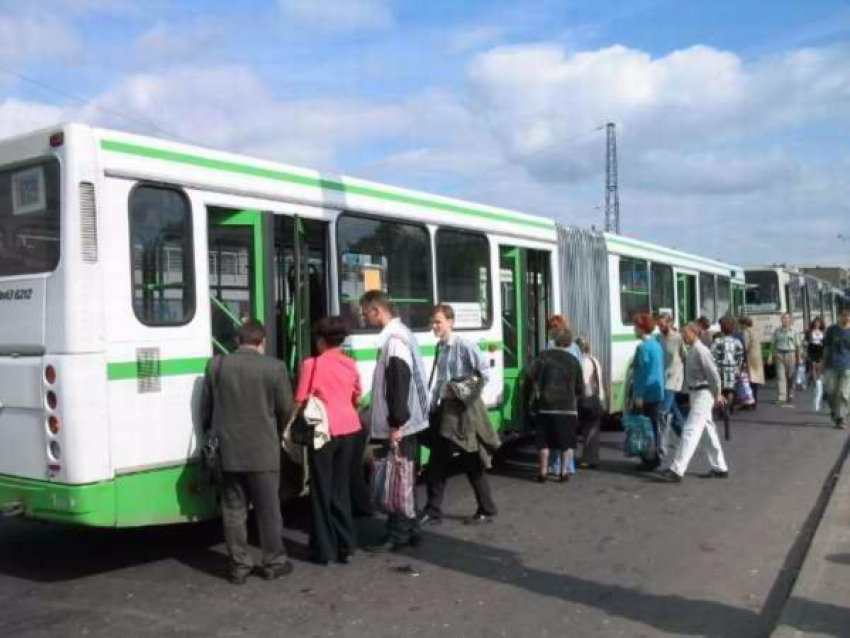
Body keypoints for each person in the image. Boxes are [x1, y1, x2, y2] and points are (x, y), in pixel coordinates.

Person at [200, 319, 296, 585]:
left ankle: (239, 566)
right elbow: (286, 409)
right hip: (264, 452)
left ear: (237, 340)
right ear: (261, 341)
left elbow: (206, 408)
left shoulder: (216, 365)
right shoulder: (274, 367)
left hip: (228, 451)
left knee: (233, 510)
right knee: (268, 510)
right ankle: (274, 562)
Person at [359, 290, 430, 552]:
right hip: (410, 421)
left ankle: (397, 534)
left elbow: (398, 383)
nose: (364, 318)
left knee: (396, 477)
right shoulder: (402, 334)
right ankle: (411, 529)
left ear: (377, 310)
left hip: (401, 424)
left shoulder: (394, 341)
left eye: (365, 313)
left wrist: (396, 424)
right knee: (406, 476)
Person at [420, 304, 500, 526]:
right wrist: (434, 402)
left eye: (438, 321)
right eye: (432, 322)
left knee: (470, 459)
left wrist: (458, 391)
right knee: (439, 459)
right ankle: (434, 509)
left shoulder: (464, 345)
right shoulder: (441, 347)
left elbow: (484, 374)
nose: (434, 326)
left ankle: (486, 508)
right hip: (446, 411)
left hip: (464, 411)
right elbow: (440, 379)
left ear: (450, 322)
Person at [295, 316, 362, 565]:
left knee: (321, 490)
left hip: (323, 433)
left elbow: (301, 399)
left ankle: (325, 550)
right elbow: (357, 397)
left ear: (321, 340)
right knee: (340, 487)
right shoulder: (350, 364)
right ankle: (347, 545)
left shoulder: (311, 364)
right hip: (350, 430)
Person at [659, 323, 729, 482]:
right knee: (707, 432)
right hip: (697, 393)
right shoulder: (693, 349)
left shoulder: (700, 350)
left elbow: (714, 375)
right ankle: (720, 467)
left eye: (685, 333)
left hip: (703, 394)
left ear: (694, 333)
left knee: (690, 430)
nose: (683, 335)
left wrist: (718, 394)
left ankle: (677, 469)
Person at [526, 327, 584, 483]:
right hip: (567, 408)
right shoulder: (574, 360)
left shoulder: (544, 356)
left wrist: (538, 386)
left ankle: (543, 471)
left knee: (543, 441)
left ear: (554, 339)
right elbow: (580, 387)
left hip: (545, 406)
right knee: (566, 442)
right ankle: (563, 472)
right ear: (569, 341)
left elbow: (530, 373)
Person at [631, 313, 665, 470]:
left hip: (645, 394)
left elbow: (641, 374)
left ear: (641, 328)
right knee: (653, 426)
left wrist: (638, 395)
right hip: (656, 392)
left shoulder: (643, 347)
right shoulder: (656, 345)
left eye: (635, 326)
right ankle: (654, 457)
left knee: (645, 428)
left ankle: (649, 459)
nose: (633, 329)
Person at [655, 312, 686, 455]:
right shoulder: (658, 338)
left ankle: (662, 446)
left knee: (663, 411)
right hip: (662, 379)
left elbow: (685, 357)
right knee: (673, 410)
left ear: (670, 323)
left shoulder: (679, 338)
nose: (660, 327)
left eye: (662, 325)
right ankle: (686, 437)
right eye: (659, 325)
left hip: (674, 379)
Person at [711, 316, 745, 432]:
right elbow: (740, 356)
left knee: (721, 390)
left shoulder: (717, 341)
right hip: (732, 369)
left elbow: (713, 356)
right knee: (730, 390)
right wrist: (738, 367)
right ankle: (728, 409)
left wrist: (715, 367)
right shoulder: (737, 342)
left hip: (720, 369)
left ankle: (722, 409)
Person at [576, 337, 605, 469]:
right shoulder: (594, 359)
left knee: (588, 429)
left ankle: (589, 458)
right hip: (597, 397)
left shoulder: (583, 362)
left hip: (587, 398)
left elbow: (583, 381)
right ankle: (593, 457)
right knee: (594, 429)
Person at [824, 308, 850, 429]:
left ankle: (841, 418)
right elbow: (826, 347)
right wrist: (821, 363)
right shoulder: (832, 330)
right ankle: (834, 411)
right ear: (839, 316)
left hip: (847, 366)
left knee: (844, 394)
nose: (847, 318)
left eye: (849, 316)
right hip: (831, 365)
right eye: (845, 315)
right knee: (830, 392)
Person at [772, 313, 801, 406]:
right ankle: (782, 397)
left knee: (790, 376)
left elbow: (798, 345)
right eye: (783, 318)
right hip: (779, 353)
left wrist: (799, 357)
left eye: (786, 318)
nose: (784, 320)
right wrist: (770, 355)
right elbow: (773, 343)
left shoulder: (794, 331)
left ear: (790, 320)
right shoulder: (777, 331)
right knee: (781, 376)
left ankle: (790, 393)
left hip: (791, 354)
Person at [739, 316, 764, 409]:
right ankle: (755, 401)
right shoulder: (755, 330)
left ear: (744, 324)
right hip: (757, 357)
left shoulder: (746, 332)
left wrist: (742, 358)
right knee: (755, 380)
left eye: (741, 324)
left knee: (747, 380)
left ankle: (749, 402)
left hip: (750, 357)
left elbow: (745, 346)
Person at [806, 317, 826, 411]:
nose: (817, 324)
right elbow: (807, 342)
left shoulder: (823, 332)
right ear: (813, 324)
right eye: (815, 323)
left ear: (821, 324)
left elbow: (824, 342)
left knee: (819, 367)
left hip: (820, 350)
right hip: (812, 349)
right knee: (813, 366)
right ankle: (815, 383)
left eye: (818, 323)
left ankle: (818, 380)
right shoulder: (810, 332)